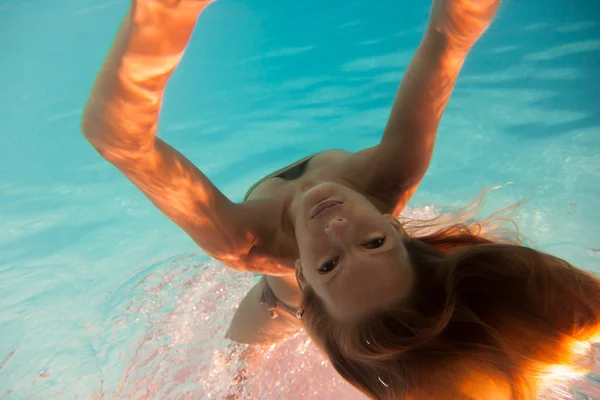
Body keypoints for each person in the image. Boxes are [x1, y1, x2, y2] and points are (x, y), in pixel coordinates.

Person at [82, 0, 600, 398]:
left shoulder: (245, 243)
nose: (336, 229)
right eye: (373, 242)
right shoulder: (391, 176)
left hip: (280, 304)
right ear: (397, 228)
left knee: (237, 362)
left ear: (306, 275)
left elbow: (118, 139)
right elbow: (450, 39)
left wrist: (163, 18)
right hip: (339, 299)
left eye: (329, 264)